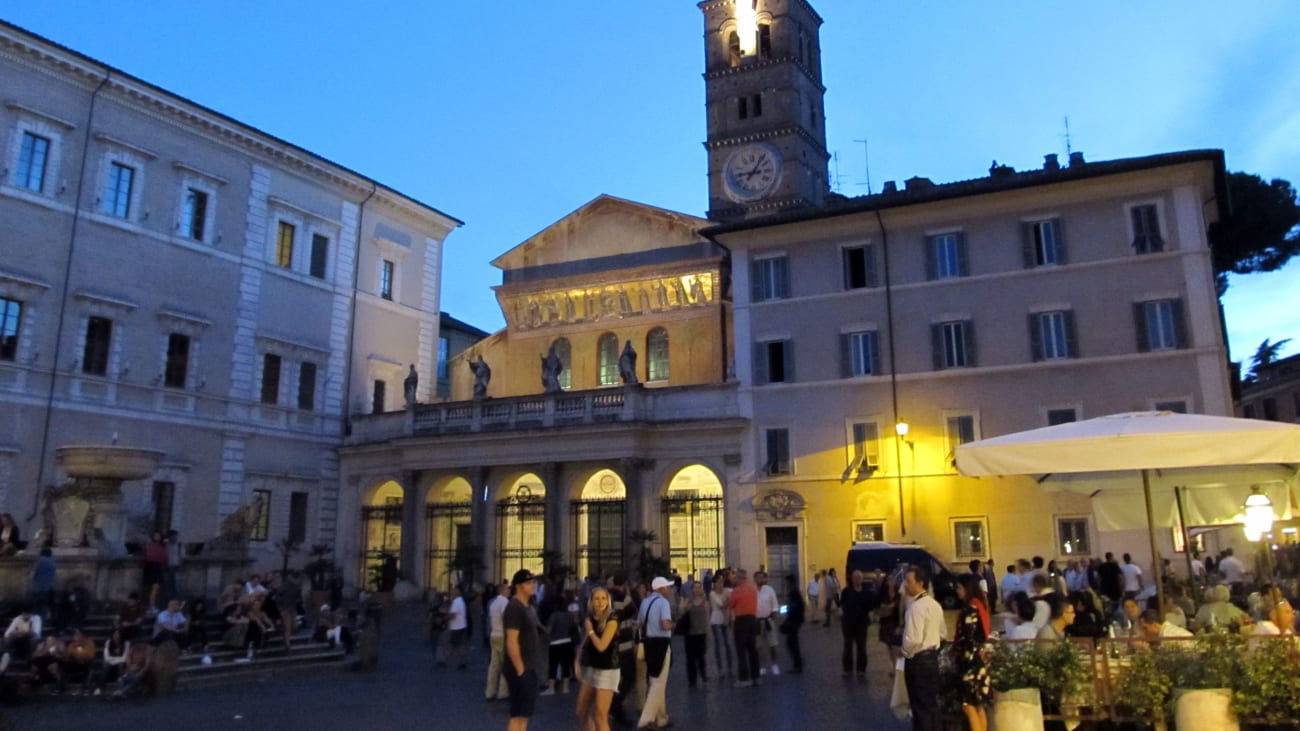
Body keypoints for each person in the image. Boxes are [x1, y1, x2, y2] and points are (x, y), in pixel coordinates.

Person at [902, 564, 947, 731]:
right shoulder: (935, 605)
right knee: (932, 705)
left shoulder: (915, 607)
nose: (905, 584)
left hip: (918, 660)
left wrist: (905, 652)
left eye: (908, 581)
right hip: (932, 658)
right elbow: (943, 633)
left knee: (920, 707)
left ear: (920, 583)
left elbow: (912, 639)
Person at [574, 586, 619, 731]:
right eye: (597, 599)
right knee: (581, 710)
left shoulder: (612, 619)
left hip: (607, 669)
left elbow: (602, 646)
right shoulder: (590, 619)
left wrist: (591, 631)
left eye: (603, 598)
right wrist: (577, 659)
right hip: (591, 668)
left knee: (601, 716)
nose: (600, 602)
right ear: (591, 602)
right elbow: (585, 641)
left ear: (608, 601)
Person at [952, 574, 991, 731]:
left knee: (968, 705)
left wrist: (957, 650)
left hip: (971, 662)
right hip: (980, 660)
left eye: (959, 587)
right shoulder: (980, 605)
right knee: (979, 704)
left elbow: (968, 636)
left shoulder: (970, 608)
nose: (957, 591)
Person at [503, 568, 541, 731]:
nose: (532, 585)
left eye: (533, 582)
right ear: (518, 586)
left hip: (528, 666)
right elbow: (511, 641)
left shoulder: (527, 607)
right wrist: (520, 670)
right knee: (518, 715)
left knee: (523, 715)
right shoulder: (514, 607)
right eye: (528, 583)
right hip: (521, 668)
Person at [636, 576, 674, 731]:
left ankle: (662, 718)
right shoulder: (663, 603)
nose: (670, 590)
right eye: (667, 587)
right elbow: (665, 624)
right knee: (659, 684)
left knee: (654, 680)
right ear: (661, 589)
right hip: (661, 643)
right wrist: (674, 625)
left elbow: (639, 623)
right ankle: (646, 719)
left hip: (648, 643)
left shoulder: (645, 602)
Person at [728, 568, 760, 687]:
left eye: (736, 577)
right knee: (753, 650)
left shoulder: (737, 590)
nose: (734, 579)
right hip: (752, 619)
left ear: (740, 578)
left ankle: (744, 678)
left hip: (741, 621)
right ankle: (756, 676)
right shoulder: (753, 589)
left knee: (741, 651)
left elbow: (731, 604)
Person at [840, 569, 874, 679]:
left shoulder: (867, 592)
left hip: (862, 624)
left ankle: (861, 669)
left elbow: (870, 606)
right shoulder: (846, 591)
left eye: (859, 577)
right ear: (852, 579)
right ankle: (847, 669)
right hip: (848, 623)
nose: (857, 579)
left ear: (862, 579)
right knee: (847, 647)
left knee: (862, 647)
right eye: (855, 577)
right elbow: (841, 605)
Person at [542, 590, 577, 695]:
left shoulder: (554, 615)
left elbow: (549, 630)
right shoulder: (569, 615)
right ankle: (566, 688)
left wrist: (546, 635)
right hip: (567, 642)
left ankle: (551, 688)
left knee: (553, 665)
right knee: (565, 665)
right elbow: (573, 626)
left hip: (555, 643)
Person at [485, 581, 511, 700]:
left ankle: (489, 692)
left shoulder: (493, 603)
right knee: (505, 665)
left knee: (494, 665)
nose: (509, 591)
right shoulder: (504, 602)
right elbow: (506, 618)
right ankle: (503, 692)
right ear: (503, 591)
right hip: (502, 635)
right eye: (507, 589)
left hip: (494, 634)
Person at [683, 581, 711, 686]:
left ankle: (703, 675)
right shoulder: (688, 601)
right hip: (690, 633)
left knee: (701, 657)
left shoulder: (705, 602)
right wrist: (688, 603)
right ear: (692, 589)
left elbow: (707, 617)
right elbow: (682, 611)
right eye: (695, 588)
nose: (697, 590)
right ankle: (692, 679)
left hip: (701, 632)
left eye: (699, 588)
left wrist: (709, 631)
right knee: (690, 658)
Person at [754, 570, 781, 675]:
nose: (760, 579)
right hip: (757, 621)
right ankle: (762, 666)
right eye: (758, 577)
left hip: (768, 620)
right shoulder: (752, 590)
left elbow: (774, 603)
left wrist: (774, 614)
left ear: (764, 579)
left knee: (772, 644)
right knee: (759, 646)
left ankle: (774, 664)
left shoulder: (769, 590)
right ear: (755, 579)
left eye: (762, 577)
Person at [708, 573, 734, 679]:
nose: (721, 584)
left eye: (722, 582)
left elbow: (731, 603)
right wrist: (728, 600)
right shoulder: (712, 594)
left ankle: (730, 668)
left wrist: (728, 602)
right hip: (716, 621)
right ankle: (720, 669)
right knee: (718, 645)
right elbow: (722, 605)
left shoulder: (728, 591)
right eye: (718, 582)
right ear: (714, 584)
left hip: (727, 620)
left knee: (728, 644)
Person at [877, 573, 904, 668]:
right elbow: (878, 607)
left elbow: (901, 610)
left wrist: (900, 625)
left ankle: (898, 667)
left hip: (895, 622)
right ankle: (894, 666)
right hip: (885, 622)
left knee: (895, 646)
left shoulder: (899, 595)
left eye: (892, 579)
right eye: (889, 580)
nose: (891, 582)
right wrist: (886, 607)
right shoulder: (882, 594)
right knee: (889, 646)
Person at [60, 628, 96, 695]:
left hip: (85, 663)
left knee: (89, 666)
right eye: (75, 635)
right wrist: (75, 653)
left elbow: (90, 655)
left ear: (82, 635)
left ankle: (86, 688)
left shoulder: (89, 643)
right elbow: (68, 655)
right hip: (76, 663)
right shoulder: (72, 645)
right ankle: (61, 688)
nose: (76, 636)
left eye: (78, 634)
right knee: (65, 666)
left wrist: (80, 654)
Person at [781, 574, 804, 673]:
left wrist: (785, 611)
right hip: (795, 619)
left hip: (794, 620)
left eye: (787, 582)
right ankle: (798, 662)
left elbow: (794, 607)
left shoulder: (794, 593)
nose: (785, 584)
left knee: (792, 642)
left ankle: (798, 664)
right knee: (792, 642)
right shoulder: (794, 592)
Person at [97, 628, 129, 695]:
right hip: (110, 663)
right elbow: (106, 657)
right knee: (105, 665)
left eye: (118, 635)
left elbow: (125, 658)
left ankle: (119, 689)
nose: (116, 636)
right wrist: (115, 660)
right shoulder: (108, 642)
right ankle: (100, 687)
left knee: (120, 665)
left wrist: (113, 660)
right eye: (115, 634)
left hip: (120, 664)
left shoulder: (126, 643)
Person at [444, 584, 469, 670]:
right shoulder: (461, 601)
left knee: (453, 645)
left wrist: (445, 618)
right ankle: (461, 662)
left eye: (451, 593)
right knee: (458, 645)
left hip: (456, 627)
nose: (450, 595)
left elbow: (453, 615)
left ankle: (445, 661)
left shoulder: (456, 602)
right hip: (461, 626)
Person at [277, 570, 303, 651]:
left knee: (293, 626)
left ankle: (285, 638)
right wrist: (280, 608)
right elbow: (278, 596)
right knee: (287, 626)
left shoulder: (297, 587)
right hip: (285, 608)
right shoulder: (285, 586)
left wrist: (298, 601)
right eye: (294, 578)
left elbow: (299, 598)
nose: (295, 580)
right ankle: (287, 644)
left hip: (292, 608)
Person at [143, 531, 167, 614]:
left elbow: (164, 557)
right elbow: (148, 556)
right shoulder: (149, 545)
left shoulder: (162, 546)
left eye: (158, 535)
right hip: (151, 566)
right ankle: (151, 606)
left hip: (157, 566)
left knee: (155, 588)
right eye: (155, 535)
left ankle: (151, 606)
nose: (157, 537)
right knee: (153, 588)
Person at [30, 546, 56, 618]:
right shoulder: (53, 562)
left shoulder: (39, 561)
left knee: (36, 604)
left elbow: (33, 573)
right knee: (44, 602)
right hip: (48, 586)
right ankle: (44, 616)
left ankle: (37, 617)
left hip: (37, 586)